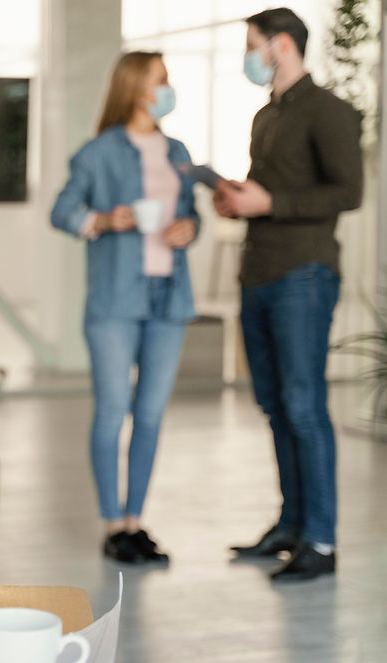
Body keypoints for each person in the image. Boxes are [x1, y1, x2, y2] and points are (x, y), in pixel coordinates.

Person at [214, 8, 362, 582]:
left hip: (304, 275)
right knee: (276, 407)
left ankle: (321, 542)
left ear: (280, 44)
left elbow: (348, 191)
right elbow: (271, 190)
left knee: (303, 407)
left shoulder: (330, 111)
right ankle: (292, 525)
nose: (248, 57)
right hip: (259, 275)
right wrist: (237, 200)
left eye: (252, 45)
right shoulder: (265, 115)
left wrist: (270, 203)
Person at [51, 52, 199, 565]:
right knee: (114, 411)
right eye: (162, 79)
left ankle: (136, 522)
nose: (168, 88)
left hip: (168, 299)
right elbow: (62, 211)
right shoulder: (97, 153)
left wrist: (190, 228)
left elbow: (191, 213)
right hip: (114, 301)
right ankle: (113, 524)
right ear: (137, 88)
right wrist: (104, 220)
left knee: (151, 414)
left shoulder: (178, 150)